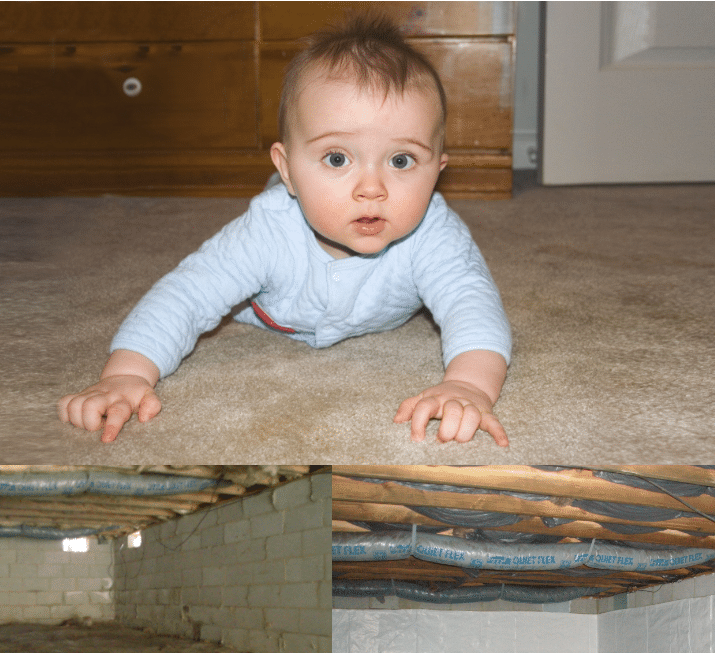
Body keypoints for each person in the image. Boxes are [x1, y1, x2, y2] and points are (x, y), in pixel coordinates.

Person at [58, 15, 512, 445]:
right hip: (277, 306)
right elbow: (186, 295)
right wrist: (126, 375)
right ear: (288, 169)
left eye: (401, 160)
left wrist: (469, 385)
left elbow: (472, 303)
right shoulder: (267, 232)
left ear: (437, 171)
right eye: (338, 158)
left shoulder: (434, 232)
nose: (372, 188)